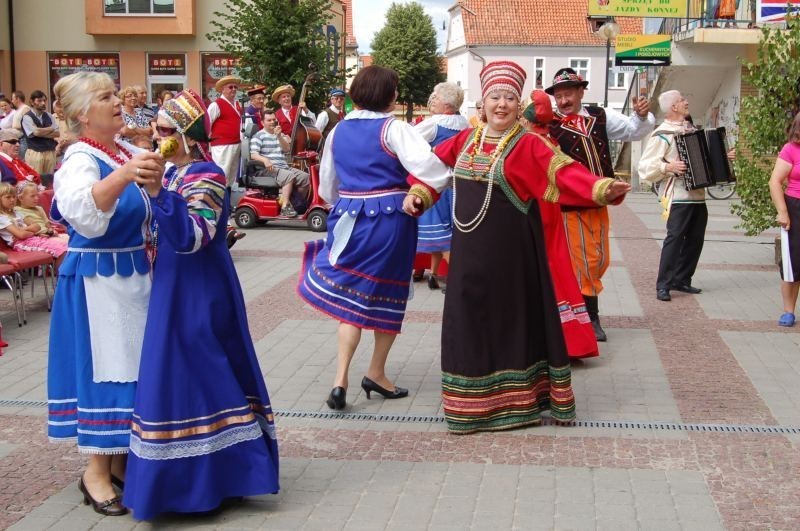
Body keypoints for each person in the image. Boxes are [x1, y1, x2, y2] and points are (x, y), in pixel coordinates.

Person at [406, 61, 630, 434]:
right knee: (468, 322)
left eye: (509, 98)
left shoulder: (529, 144)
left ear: (518, 103)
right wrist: (418, 195)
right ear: (483, 101)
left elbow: (564, 172)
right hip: (466, 260)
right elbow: (431, 171)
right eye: (495, 96)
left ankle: (518, 404)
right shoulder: (465, 141)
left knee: (511, 325)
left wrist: (600, 188)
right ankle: (470, 406)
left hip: (512, 261)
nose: (501, 105)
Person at [122, 89, 279, 520]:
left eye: (168, 130)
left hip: (200, 288)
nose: (159, 136)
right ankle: (182, 480)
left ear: (188, 135)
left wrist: (157, 194)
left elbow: (194, 236)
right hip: (171, 284)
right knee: (177, 372)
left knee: (202, 368)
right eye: (157, 127)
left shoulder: (205, 174)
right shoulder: (171, 173)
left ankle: (225, 474)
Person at [297, 65, 451, 410]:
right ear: (390, 95)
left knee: (352, 298)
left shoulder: (337, 131)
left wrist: (345, 205)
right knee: (389, 293)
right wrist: (419, 191)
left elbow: (329, 184)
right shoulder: (393, 128)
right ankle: (377, 373)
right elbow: (435, 170)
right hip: (389, 222)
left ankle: (340, 380)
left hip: (347, 218)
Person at [46, 71, 164, 517]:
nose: (116, 101)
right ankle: (95, 472)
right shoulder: (79, 158)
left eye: (115, 93)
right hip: (99, 281)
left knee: (132, 369)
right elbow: (85, 219)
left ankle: (118, 462)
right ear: (81, 114)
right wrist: (126, 176)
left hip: (132, 275)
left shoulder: (123, 151)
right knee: (109, 370)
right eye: (104, 96)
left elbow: (153, 195)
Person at [548, 67, 655, 341]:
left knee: (601, 258)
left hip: (601, 201)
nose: (563, 101)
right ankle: (590, 317)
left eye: (568, 93)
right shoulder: (550, 125)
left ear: (581, 91)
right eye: (558, 96)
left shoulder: (600, 116)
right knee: (584, 260)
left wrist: (642, 115)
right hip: (571, 203)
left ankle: (583, 311)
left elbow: (633, 130)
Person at [522, 90, 599, 359]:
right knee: (558, 267)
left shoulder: (528, 143)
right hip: (553, 210)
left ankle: (546, 341)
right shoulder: (551, 139)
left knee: (538, 270)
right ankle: (571, 339)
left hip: (533, 211)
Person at [638, 90, 707, 302]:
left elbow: (706, 158)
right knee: (675, 238)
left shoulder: (691, 129)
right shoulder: (663, 134)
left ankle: (682, 279)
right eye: (682, 100)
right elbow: (644, 166)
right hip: (678, 195)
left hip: (698, 195)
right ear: (673, 107)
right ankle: (663, 284)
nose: (687, 102)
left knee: (695, 239)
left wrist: (722, 156)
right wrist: (668, 166)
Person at [414, 82, 469, 290]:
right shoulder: (463, 123)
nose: (432, 101)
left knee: (442, 235)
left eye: (436, 98)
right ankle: (434, 275)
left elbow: (409, 142)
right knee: (450, 232)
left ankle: (460, 278)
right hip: (458, 185)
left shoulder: (435, 123)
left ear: (447, 105)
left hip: (437, 185)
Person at [769, 112, 800, 327]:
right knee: (793, 263)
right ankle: (789, 311)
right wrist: (783, 211)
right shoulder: (791, 149)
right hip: (795, 207)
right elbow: (775, 181)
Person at [250, 108, 309, 217]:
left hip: (283, 167)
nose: (272, 122)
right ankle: (285, 206)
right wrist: (265, 160)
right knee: (289, 176)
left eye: (274, 120)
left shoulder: (280, 134)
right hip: (267, 169)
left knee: (305, 177)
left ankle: (296, 203)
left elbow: (287, 150)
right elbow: (253, 154)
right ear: (262, 122)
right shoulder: (258, 136)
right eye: (269, 120)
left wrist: (279, 136)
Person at [0, 181, 66, 265]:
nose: (12, 199)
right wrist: (29, 232)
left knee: (66, 247)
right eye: (8, 197)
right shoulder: (2, 218)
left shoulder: (16, 213)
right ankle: (61, 277)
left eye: (13, 197)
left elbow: (37, 226)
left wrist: (22, 230)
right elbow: (21, 235)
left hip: (33, 239)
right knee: (62, 250)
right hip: (21, 243)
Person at [208, 75, 243, 189]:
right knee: (222, 173)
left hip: (236, 144)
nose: (233, 89)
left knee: (231, 176)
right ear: (222, 89)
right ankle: (220, 201)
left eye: (235, 87)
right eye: (230, 87)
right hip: (222, 146)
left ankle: (227, 201)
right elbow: (207, 124)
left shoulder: (237, 105)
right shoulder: (216, 105)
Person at [21, 90, 59, 176]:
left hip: (50, 152)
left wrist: (39, 131)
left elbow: (57, 133)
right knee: (36, 178)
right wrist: (51, 128)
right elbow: (35, 132)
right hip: (35, 152)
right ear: (32, 102)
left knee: (50, 179)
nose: (43, 103)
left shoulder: (49, 115)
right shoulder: (27, 117)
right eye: (39, 100)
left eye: (44, 100)